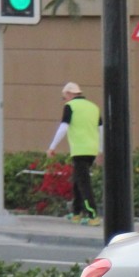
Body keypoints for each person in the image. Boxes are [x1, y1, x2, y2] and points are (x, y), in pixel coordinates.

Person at [47, 82, 102, 225]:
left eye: (64, 97)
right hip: (92, 150)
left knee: (84, 184)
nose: (64, 100)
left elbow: (64, 127)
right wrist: (100, 150)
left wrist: (52, 146)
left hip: (79, 150)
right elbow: (101, 129)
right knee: (77, 180)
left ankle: (93, 215)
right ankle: (76, 213)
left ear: (70, 94)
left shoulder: (70, 106)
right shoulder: (93, 107)